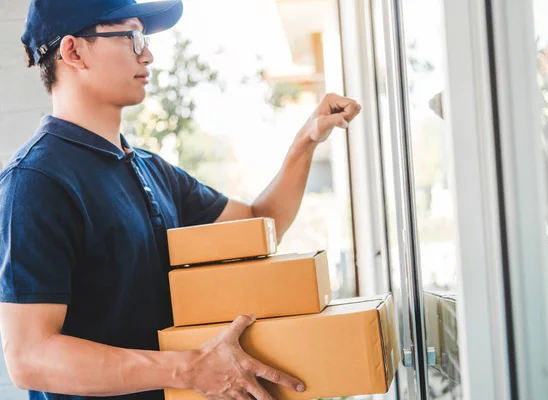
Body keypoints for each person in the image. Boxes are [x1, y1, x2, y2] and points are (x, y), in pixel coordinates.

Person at [0, 1, 362, 399]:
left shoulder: (151, 170)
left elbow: (259, 222)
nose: (148, 53)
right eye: (131, 36)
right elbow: (30, 357)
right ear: (73, 52)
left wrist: (304, 143)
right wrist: (191, 369)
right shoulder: (36, 182)